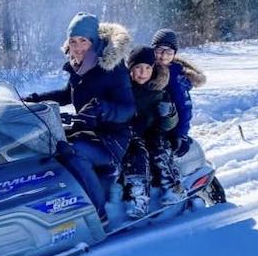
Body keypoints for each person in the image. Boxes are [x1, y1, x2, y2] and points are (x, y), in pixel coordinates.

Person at [26, 12, 134, 225]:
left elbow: (127, 108)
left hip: (111, 140)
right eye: (73, 41)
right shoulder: (80, 66)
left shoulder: (112, 68)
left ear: (93, 42)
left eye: (83, 40)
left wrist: (102, 109)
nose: (77, 46)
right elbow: (68, 94)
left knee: (72, 153)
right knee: (46, 144)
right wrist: (33, 100)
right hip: (87, 131)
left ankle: (98, 213)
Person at [122, 45, 181, 218]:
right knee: (136, 155)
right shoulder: (125, 90)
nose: (143, 72)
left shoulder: (158, 91)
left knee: (159, 146)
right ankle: (138, 198)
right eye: (138, 68)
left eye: (148, 68)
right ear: (131, 69)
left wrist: (169, 114)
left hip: (154, 133)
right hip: (131, 135)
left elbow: (169, 124)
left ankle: (173, 186)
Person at [150, 28, 206, 161]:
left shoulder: (175, 77)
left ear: (174, 54)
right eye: (159, 50)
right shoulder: (147, 68)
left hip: (168, 127)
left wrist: (181, 134)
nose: (163, 55)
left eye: (168, 52)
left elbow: (184, 108)